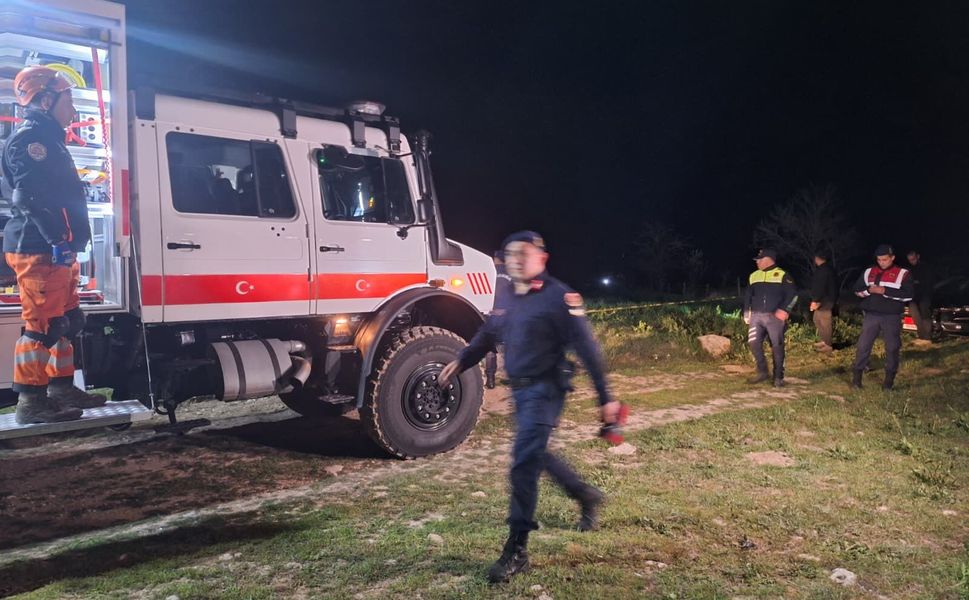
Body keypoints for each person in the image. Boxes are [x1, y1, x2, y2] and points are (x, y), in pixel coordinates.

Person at [439, 231, 619, 584]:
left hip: (547, 389)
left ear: (542, 258)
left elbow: (587, 349)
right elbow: (490, 333)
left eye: (524, 253)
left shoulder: (560, 297)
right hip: (520, 392)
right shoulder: (506, 292)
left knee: (523, 464)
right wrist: (462, 360)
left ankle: (516, 550)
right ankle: (585, 494)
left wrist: (606, 397)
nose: (517, 259)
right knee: (536, 454)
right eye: (511, 254)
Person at [2, 65, 106, 424]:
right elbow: (28, 197)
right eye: (68, 100)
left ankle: (61, 389)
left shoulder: (50, 139)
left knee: (68, 320)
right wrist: (56, 240)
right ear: (45, 100)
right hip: (39, 248)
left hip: (58, 248)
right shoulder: (31, 141)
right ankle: (30, 401)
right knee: (43, 326)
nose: (73, 110)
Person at [852, 244, 913, 390]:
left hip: (892, 316)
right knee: (863, 346)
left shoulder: (903, 273)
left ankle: (888, 382)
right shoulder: (869, 271)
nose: (881, 262)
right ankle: (856, 380)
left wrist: (885, 291)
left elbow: (909, 295)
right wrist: (868, 291)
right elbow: (856, 290)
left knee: (892, 348)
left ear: (892, 258)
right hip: (871, 315)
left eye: (885, 259)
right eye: (879, 260)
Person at [743, 248, 798, 387]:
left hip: (775, 317)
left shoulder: (782, 275)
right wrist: (746, 311)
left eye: (759, 260)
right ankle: (762, 372)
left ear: (768, 260)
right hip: (756, 317)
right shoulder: (753, 275)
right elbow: (748, 295)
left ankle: (778, 377)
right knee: (753, 343)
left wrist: (784, 310)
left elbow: (793, 295)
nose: (757, 262)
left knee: (777, 346)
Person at [483, 250, 512, 389]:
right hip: (507, 314)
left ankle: (490, 380)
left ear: (497, 259)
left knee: (490, 348)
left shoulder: (489, 271)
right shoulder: (512, 273)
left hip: (491, 313)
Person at [809, 248, 838, 352]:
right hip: (825, 299)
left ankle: (828, 345)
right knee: (816, 319)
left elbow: (819, 286)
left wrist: (815, 300)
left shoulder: (823, 270)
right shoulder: (827, 269)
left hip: (825, 300)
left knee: (825, 322)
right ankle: (824, 341)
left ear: (817, 258)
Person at [906, 250, 935, 344]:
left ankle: (927, 338)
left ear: (918, 256)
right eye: (910, 260)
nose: (912, 261)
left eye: (913, 259)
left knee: (925, 314)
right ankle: (922, 336)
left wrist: (917, 282)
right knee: (915, 314)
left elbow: (928, 282)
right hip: (913, 296)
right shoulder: (909, 269)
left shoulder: (925, 267)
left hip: (924, 295)